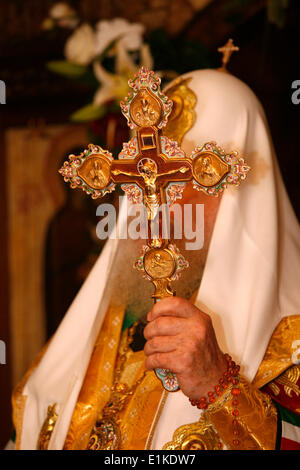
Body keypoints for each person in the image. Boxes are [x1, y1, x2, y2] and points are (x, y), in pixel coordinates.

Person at [11, 68, 300, 450]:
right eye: (138, 176)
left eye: (177, 179)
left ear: (236, 194)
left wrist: (219, 386)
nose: (152, 204)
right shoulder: (101, 323)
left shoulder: (289, 344)